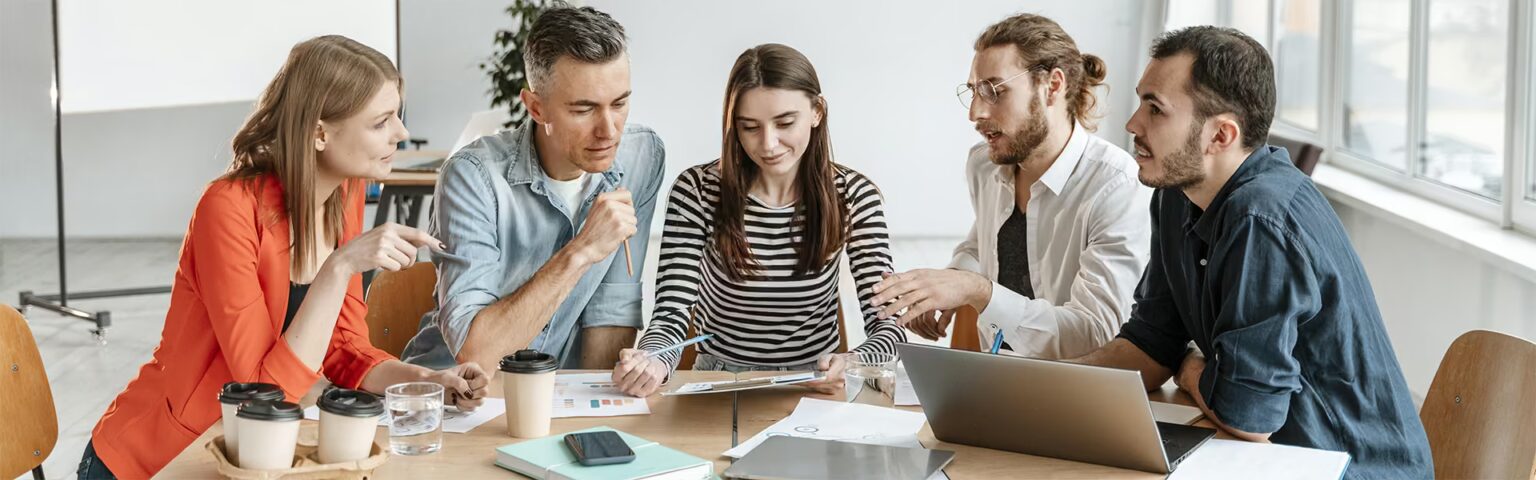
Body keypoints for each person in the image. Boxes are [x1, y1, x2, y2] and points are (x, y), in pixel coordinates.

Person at [79, 36, 489, 480]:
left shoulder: (344, 191)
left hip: (254, 456)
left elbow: (344, 349)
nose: (401, 134)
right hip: (163, 460)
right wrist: (339, 267)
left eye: (397, 116)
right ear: (319, 133)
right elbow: (264, 393)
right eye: (381, 122)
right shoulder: (227, 208)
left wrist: (428, 382)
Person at [1073, 26, 1433, 478]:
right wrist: (1051, 384)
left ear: (1221, 135)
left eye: (1155, 109)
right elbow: (1151, 343)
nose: (1132, 124)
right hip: (1274, 458)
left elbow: (1248, 417)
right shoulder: (1175, 195)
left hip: (1348, 470)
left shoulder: (1260, 218)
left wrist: (1188, 369)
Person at [611, 43, 904, 397]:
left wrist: (854, 361)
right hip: (720, 382)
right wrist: (653, 360)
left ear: (817, 112)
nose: (768, 144)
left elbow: (889, 327)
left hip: (816, 383)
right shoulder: (697, 190)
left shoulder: (854, 194)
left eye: (785, 123)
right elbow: (671, 314)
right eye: (749, 127)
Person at [400, 5, 666, 371]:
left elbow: (613, 307)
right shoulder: (472, 176)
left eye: (619, 103)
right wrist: (581, 251)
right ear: (536, 107)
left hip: (558, 389)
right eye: (583, 110)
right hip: (455, 388)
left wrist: (595, 399)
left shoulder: (642, 156)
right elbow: (478, 354)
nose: (609, 131)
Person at [872, 13, 1151, 359]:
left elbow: (1096, 333)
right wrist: (947, 284)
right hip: (996, 375)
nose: (975, 112)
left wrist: (977, 290)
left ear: (1053, 86)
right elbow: (982, 245)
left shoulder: (1116, 185)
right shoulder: (983, 164)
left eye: (995, 91)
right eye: (974, 91)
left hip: (1076, 384)